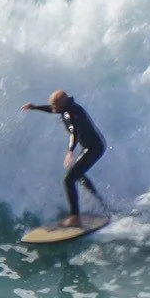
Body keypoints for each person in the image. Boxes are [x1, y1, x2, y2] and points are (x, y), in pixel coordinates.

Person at [21, 89, 106, 227]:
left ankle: (75, 217)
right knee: (78, 175)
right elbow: (52, 109)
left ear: (62, 103)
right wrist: (34, 107)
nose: (53, 109)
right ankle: (100, 203)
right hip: (94, 146)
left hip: (93, 148)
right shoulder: (68, 107)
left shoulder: (71, 113)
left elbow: (74, 132)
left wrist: (70, 151)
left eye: (55, 105)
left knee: (68, 179)